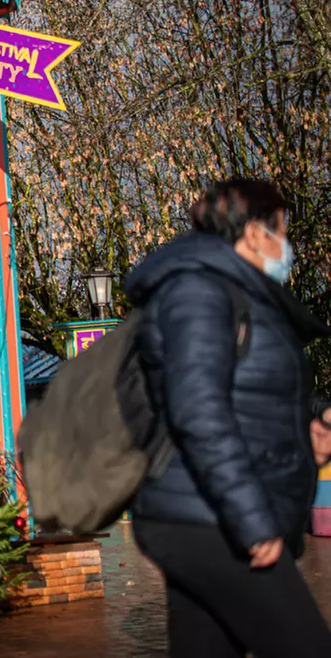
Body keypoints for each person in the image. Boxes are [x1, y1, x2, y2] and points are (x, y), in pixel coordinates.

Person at [126, 178, 331, 656]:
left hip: (206, 515)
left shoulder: (237, 294)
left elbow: (251, 399)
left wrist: (311, 427)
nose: (288, 244)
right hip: (209, 519)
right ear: (255, 232)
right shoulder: (197, 292)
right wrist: (252, 521)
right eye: (283, 228)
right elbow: (198, 410)